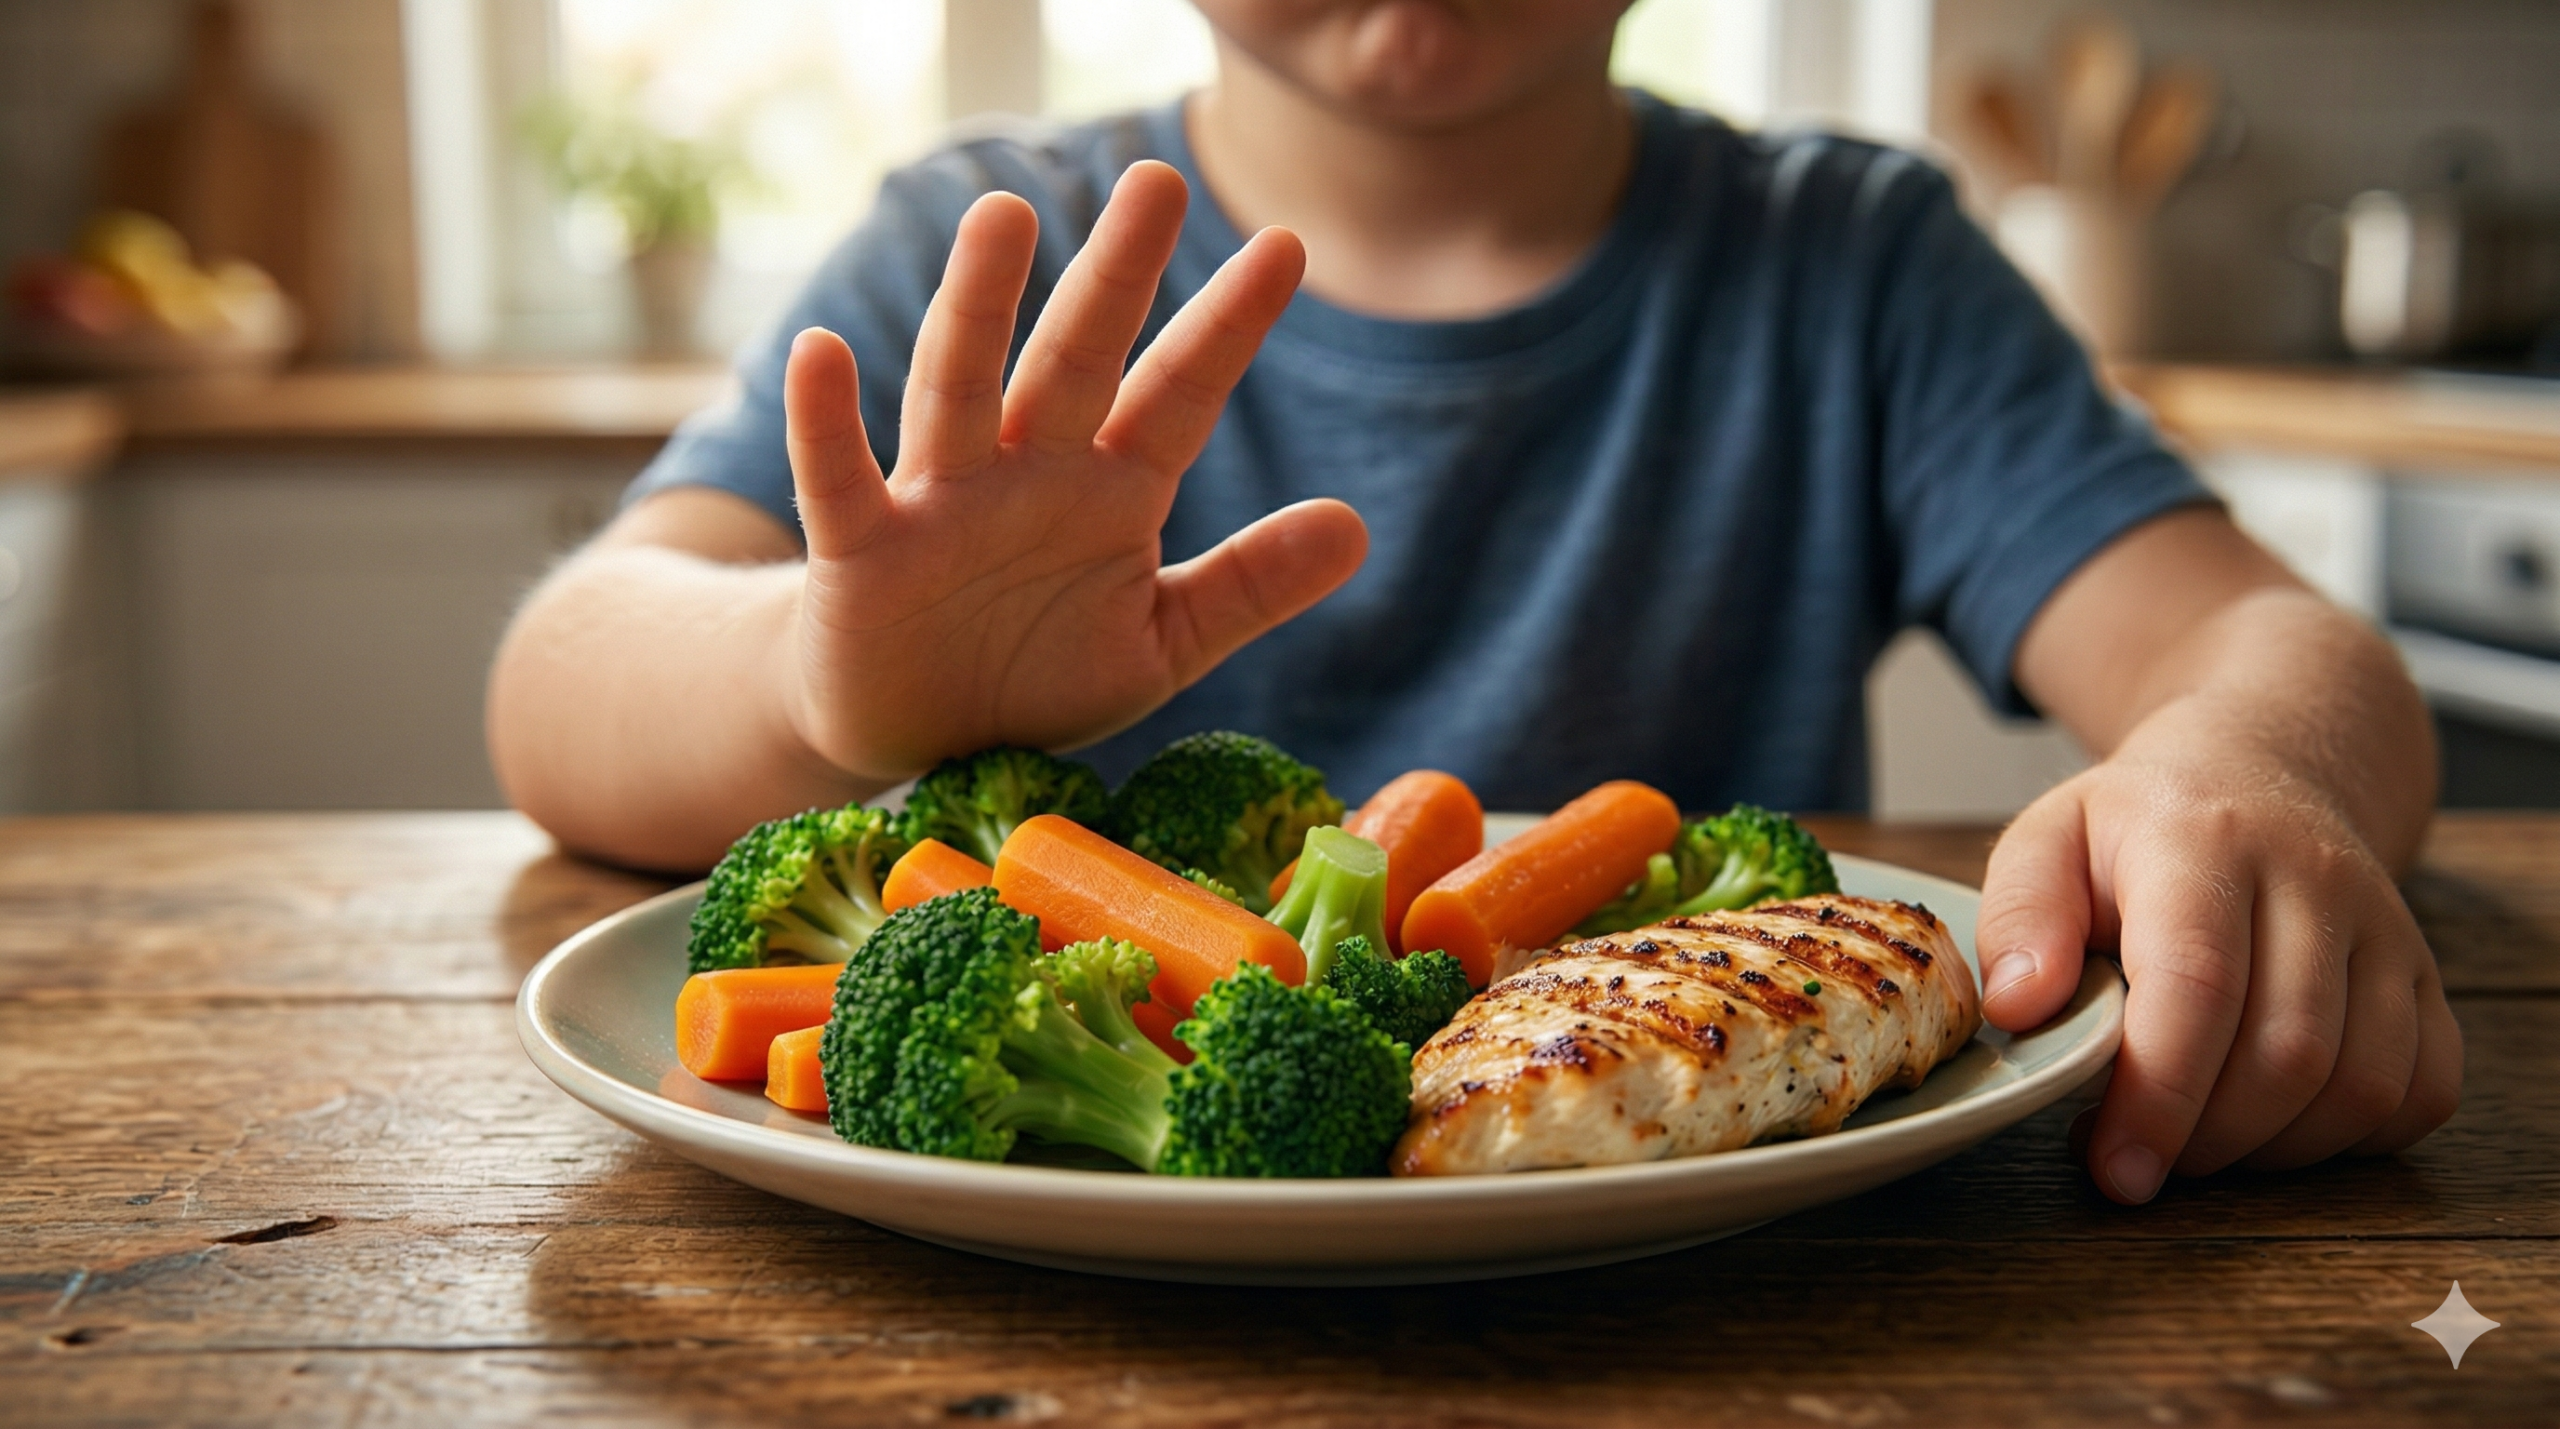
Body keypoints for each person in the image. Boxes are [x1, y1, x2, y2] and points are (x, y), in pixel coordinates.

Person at [487, 0, 2460, 1204]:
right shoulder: (981, 251)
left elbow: (2270, 646)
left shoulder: (1851, 263)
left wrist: (2246, 764)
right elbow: (563, 682)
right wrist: (816, 677)